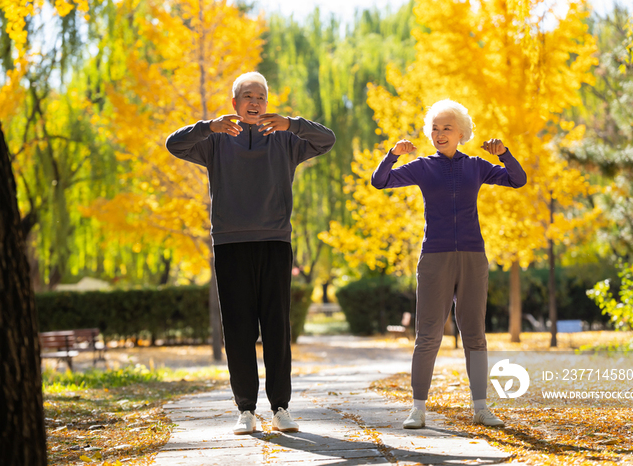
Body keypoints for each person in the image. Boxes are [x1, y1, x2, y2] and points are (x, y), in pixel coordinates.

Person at [165, 72, 335, 435]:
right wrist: (208, 127)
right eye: (247, 96)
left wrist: (293, 123)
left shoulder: (286, 138)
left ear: (267, 103)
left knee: (277, 328)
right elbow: (173, 145)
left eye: (260, 96)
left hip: (275, 241)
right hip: (229, 243)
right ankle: (245, 410)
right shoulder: (215, 140)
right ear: (235, 104)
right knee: (239, 331)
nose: (254, 102)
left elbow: (326, 140)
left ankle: (281, 408)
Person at [370, 99, 527, 428]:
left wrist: (504, 154)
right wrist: (394, 155)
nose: (440, 134)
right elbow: (380, 181)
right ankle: (418, 408)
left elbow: (518, 179)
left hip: (472, 256)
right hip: (435, 257)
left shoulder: (476, 166)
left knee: (475, 335)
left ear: (462, 133)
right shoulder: (423, 166)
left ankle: (481, 407)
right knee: (427, 335)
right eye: (435, 129)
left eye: (447, 128)